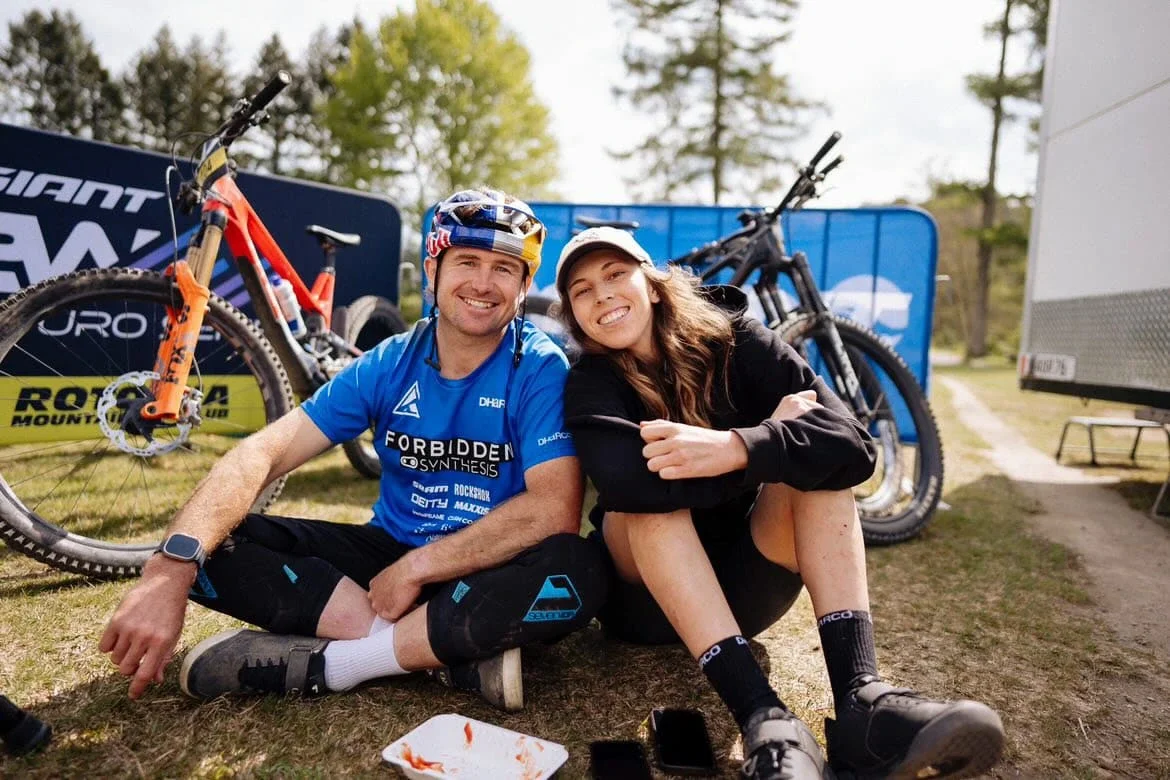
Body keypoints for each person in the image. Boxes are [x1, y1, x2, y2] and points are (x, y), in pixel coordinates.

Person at [99, 189, 606, 711]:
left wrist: (417, 569)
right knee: (213, 542)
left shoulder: (541, 364)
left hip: (487, 567)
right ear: (433, 269)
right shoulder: (390, 360)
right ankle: (444, 653)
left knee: (577, 566)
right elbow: (263, 453)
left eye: (505, 268)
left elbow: (553, 509)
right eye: (467, 261)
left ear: (524, 287)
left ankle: (344, 663)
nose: (482, 282)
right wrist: (167, 571)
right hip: (388, 558)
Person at [555, 227, 1004, 780]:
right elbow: (631, 487)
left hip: (750, 592)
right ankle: (765, 719)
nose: (601, 295)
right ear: (575, 316)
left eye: (615, 274)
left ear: (652, 285)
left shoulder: (739, 341)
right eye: (581, 290)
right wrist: (770, 444)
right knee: (647, 508)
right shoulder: (588, 383)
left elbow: (855, 448)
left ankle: (861, 701)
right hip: (643, 604)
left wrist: (737, 446)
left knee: (819, 474)